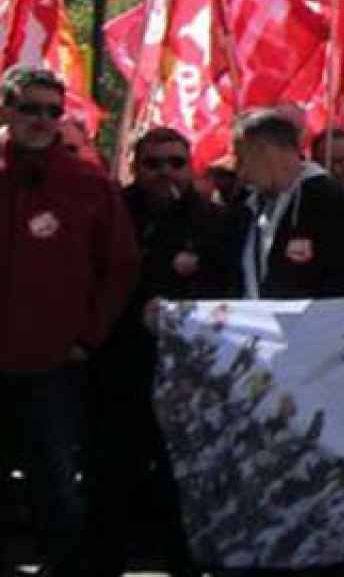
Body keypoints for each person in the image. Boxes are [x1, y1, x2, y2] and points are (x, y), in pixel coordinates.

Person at [0, 66, 140, 576]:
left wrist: (87, 337)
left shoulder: (86, 183)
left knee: (56, 488)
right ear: (6, 109)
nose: (42, 120)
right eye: (30, 108)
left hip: (52, 366)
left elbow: (120, 267)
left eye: (52, 111)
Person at [88, 127, 227, 577]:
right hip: (119, 367)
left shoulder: (214, 219)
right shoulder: (111, 211)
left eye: (176, 162)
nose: (165, 172)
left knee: (179, 482)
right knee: (111, 478)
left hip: (187, 374)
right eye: (153, 163)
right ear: (133, 166)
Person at [224, 108, 344, 300]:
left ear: (265, 151)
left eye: (241, 157)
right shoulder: (246, 208)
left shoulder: (331, 202)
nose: (239, 170)